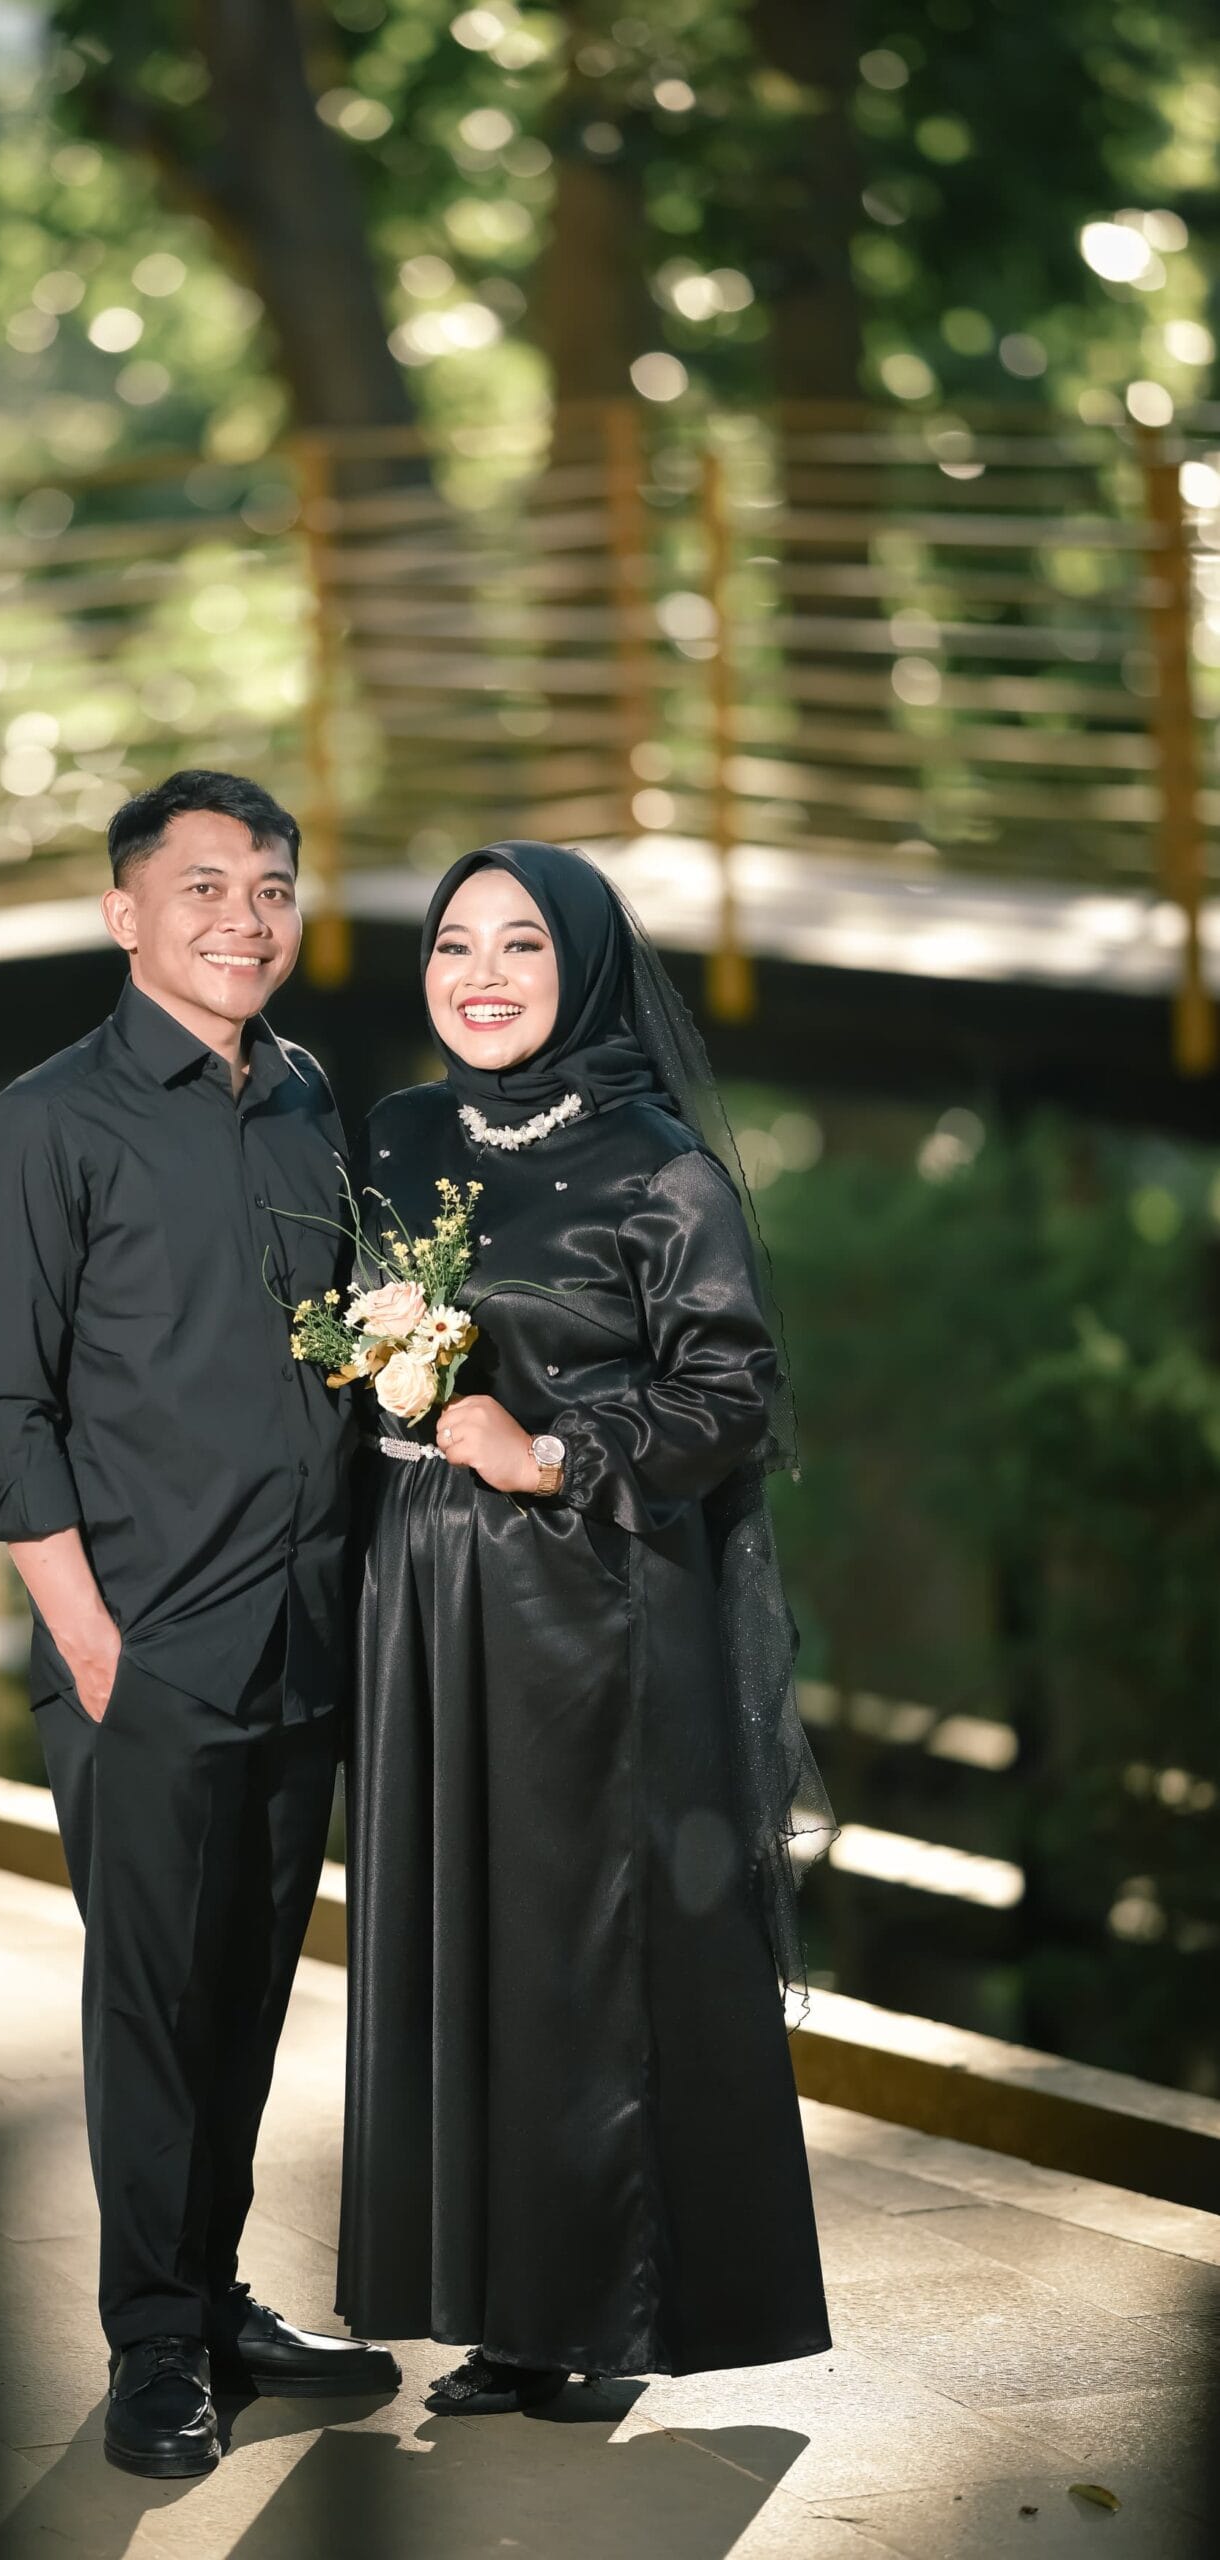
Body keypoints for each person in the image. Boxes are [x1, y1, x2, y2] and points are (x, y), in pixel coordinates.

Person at [336, 840, 832, 2409]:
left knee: (578, 1949)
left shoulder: (658, 1168)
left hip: (589, 1604)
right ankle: (495, 2303)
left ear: (589, 969)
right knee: (455, 1937)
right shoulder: (400, 1133)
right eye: (453, 944)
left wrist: (547, 1452)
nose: (479, 976)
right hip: (424, 1599)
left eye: (522, 946)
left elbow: (732, 1393)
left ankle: (593, 2321)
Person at [0, 768, 398, 2480]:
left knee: (248, 1992)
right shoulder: (47, 1124)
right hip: (141, 1651)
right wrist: (91, 1648)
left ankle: (213, 2299)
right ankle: (153, 2345)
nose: (244, 918)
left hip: (303, 1636)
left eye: (272, 887)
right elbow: (4, 1413)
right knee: (151, 2005)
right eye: (204, 885)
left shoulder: (306, 1096)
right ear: (124, 912)